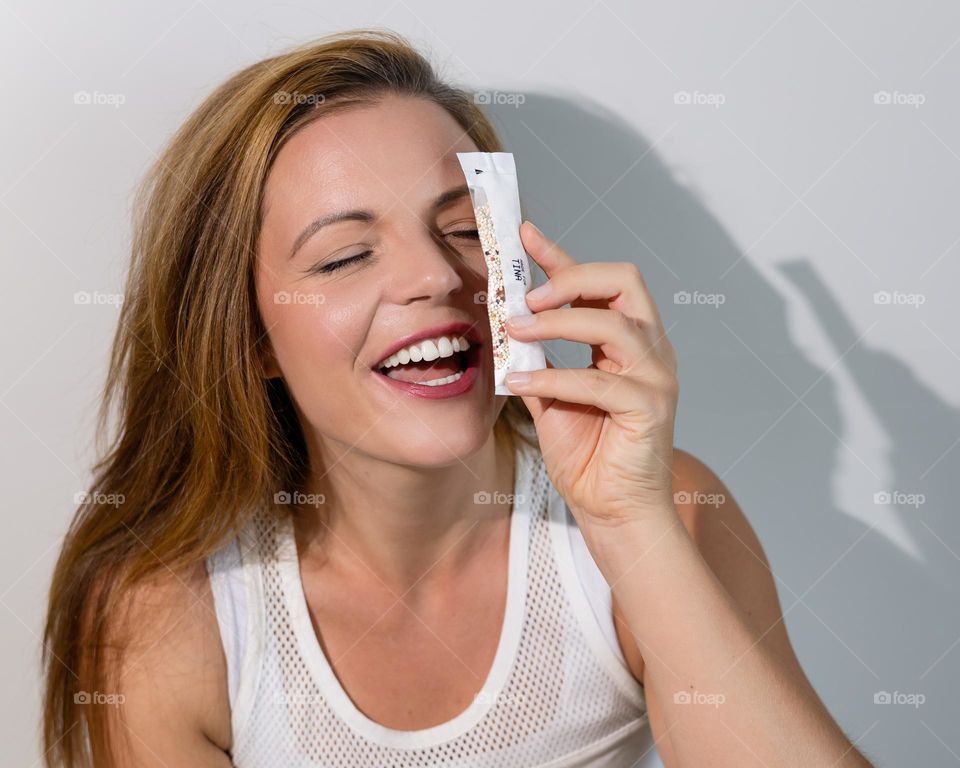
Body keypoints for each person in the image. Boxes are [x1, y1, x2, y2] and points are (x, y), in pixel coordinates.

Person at [41, 29, 874, 768]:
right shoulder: (167, 613)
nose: (437, 277)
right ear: (251, 337)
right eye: (342, 257)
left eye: (466, 230)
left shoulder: (671, 512)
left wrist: (629, 524)